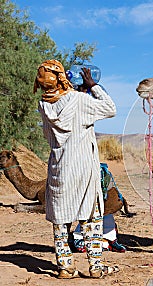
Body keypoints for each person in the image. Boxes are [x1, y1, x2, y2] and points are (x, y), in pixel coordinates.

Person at [34, 59, 118, 279]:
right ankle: (96, 266)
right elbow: (110, 109)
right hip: (83, 168)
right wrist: (93, 86)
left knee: (60, 218)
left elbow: (47, 136)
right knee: (90, 217)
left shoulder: (44, 105)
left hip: (58, 167)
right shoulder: (80, 100)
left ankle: (65, 267)